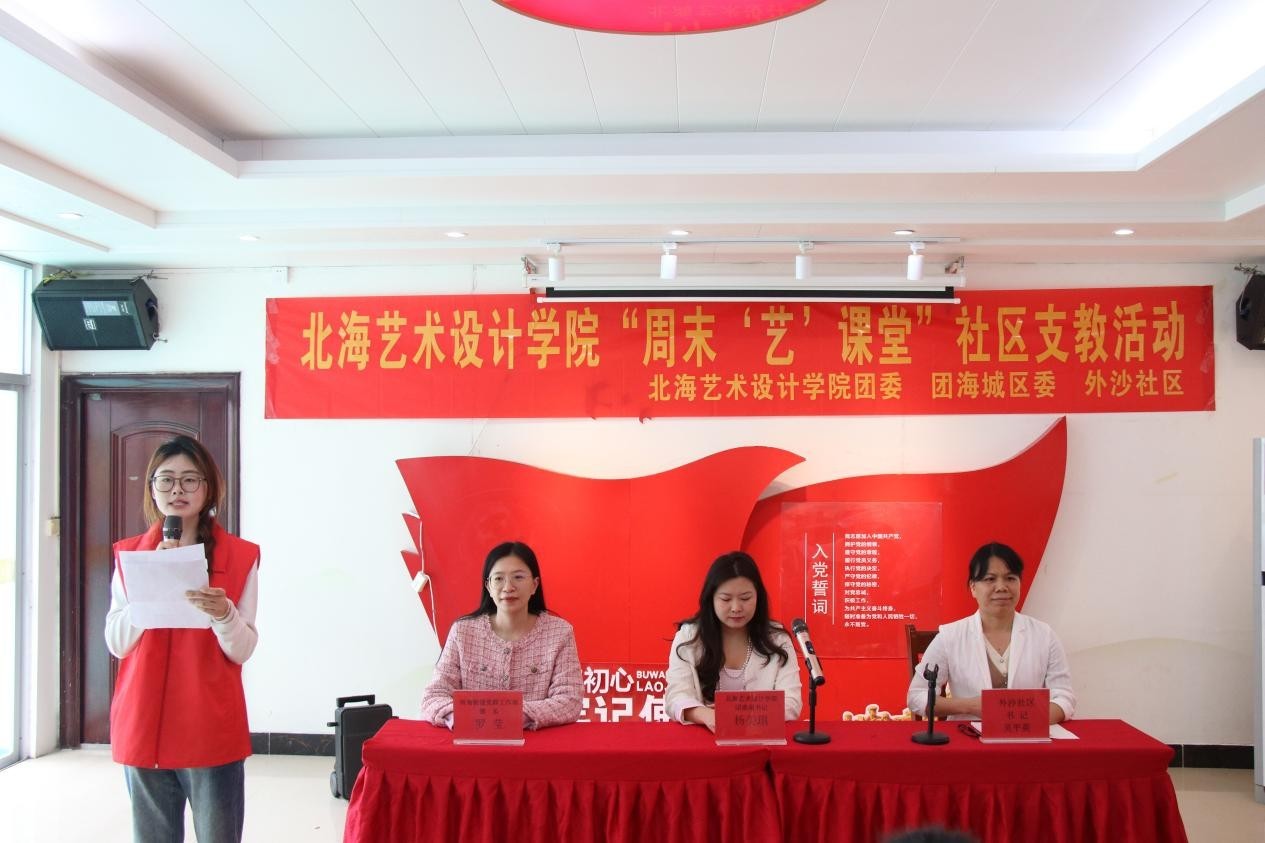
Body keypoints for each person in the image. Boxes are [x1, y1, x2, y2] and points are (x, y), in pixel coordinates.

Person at [105, 435, 260, 843]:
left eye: (190, 479)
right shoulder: (132, 556)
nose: (177, 490)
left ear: (208, 488)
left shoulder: (239, 556)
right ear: (152, 488)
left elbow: (243, 649)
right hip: (144, 723)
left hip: (209, 725)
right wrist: (149, 588)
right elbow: (117, 642)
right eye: (166, 479)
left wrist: (223, 614)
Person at [906, 542, 1075, 724]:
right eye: (990, 579)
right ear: (973, 587)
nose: (1001, 587)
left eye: (1010, 578)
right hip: (968, 736)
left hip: (1028, 737)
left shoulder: (1044, 635)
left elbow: (1064, 696)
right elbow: (917, 696)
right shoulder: (950, 636)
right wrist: (970, 706)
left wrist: (1030, 720)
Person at [419, 540, 582, 729]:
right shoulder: (463, 632)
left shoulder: (559, 633)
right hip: (472, 741)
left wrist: (517, 717)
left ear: (534, 585)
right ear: (488, 586)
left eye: (518, 577)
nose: (508, 587)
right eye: (498, 579)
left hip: (537, 743)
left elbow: (569, 700)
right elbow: (433, 696)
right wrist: (461, 717)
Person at [665, 550, 802, 730]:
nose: (736, 608)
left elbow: (791, 702)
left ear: (758, 597)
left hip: (761, 739)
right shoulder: (689, 637)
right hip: (704, 737)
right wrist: (705, 715)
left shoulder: (777, 639)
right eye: (726, 599)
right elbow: (675, 697)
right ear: (711, 599)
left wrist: (741, 716)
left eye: (745, 598)